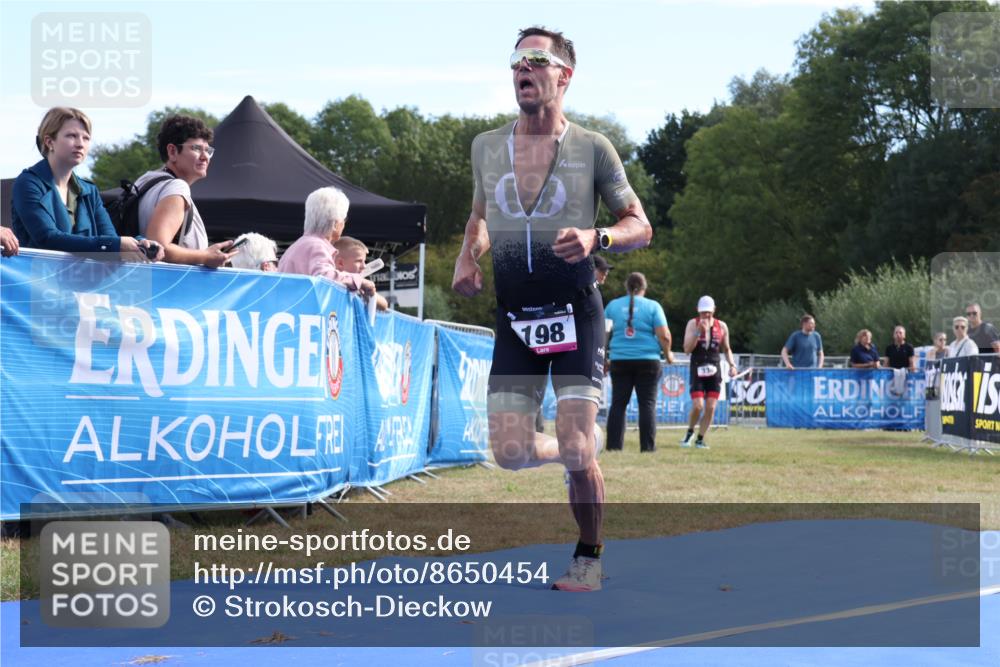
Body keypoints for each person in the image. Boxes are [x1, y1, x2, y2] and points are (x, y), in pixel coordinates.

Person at [451, 26, 652, 592]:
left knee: (579, 440)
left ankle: (589, 556)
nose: (524, 68)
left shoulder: (593, 147)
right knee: (510, 453)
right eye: (517, 60)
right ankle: (572, 454)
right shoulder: (486, 147)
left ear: (564, 75)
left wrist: (597, 239)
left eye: (537, 59)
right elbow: (481, 216)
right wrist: (469, 256)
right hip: (515, 317)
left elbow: (640, 225)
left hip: (575, 313)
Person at [11, 107, 159, 261]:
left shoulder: (89, 190)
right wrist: (115, 244)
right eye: (72, 136)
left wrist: (140, 244)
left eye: (86, 138)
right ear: (49, 142)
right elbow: (47, 238)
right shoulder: (28, 183)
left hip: (84, 282)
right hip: (38, 281)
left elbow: (109, 239)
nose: (80, 144)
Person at [136, 114, 236, 267]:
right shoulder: (177, 187)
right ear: (172, 151)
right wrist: (205, 256)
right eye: (196, 148)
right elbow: (157, 247)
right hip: (169, 287)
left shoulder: (145, 181)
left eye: (208, 150)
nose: (205, 157)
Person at [604, 272, 672, 453]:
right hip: (648, 361)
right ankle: (648, 448)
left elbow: (603, 334)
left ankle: (613, 447)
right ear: (644, 288)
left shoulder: (613, 306)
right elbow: (664, 336)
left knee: (618, 404)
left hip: (619, 360)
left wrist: (603, 359)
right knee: (647, 404)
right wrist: (668, 355)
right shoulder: (653, 306)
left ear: (626, 287)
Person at [278, 187, 376, 297]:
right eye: (344, 219)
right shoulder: (317, 246)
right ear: (335, 224)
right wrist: (358, 281)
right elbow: (325, 278)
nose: (344, 224)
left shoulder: (294, 248)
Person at [680, 296, 737, 450]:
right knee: (698, 406)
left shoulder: (722, 326)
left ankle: (700, 439)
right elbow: (686, 350)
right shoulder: (693, 324)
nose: (705, 316)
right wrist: (698, 332)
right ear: (698, 312)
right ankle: (689, 432)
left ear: (713, 311)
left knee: (711, 407)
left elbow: (727, 348)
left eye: (708, 313)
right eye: (703, 313)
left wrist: (732, 365)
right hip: (697, 367)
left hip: (714, 368)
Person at [334, 236, 388, 311]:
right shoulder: (330, 281)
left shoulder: (359, 284)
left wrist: (371, 294)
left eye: (364, 261)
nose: (364, 266)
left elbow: (384, 305)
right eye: (359, 261)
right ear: (340, 263)